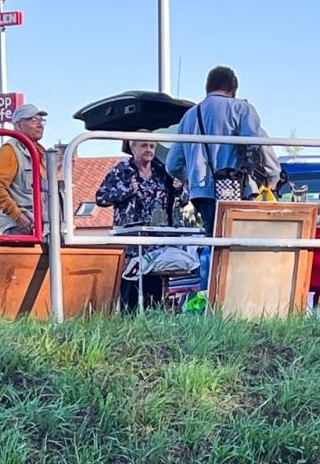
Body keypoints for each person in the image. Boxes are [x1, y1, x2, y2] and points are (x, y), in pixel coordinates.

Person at [165, 66, 280, 235]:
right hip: (235, 190)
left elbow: (172, 165)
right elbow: (259, 143)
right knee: (237, 245)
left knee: (213, 243)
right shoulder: (240, 109)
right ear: (233, 89)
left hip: (201, 193)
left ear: (207, 88)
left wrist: (190, 177)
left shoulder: (189, 116)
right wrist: (273, 174)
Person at [95, 139, 186, 311]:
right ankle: (128, 322)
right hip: (131, 242)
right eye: (144, 145)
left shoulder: (162, 171)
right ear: (133, 147)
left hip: (157, 242)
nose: (149, 150)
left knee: (154, 290)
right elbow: (101, 198)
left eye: (152, 146)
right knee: (130, 291)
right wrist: (128, 190)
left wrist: (179, 188)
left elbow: (182, 201)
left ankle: (154, 318)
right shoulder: (121, 170)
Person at [0, 103, 47, 234]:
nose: (39, 124)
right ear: (18, 125)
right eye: (33, 120)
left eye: (41, 120)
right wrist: (18, 216)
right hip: (20, 228)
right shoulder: (10, 151)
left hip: (41, 226)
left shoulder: (41, 153)